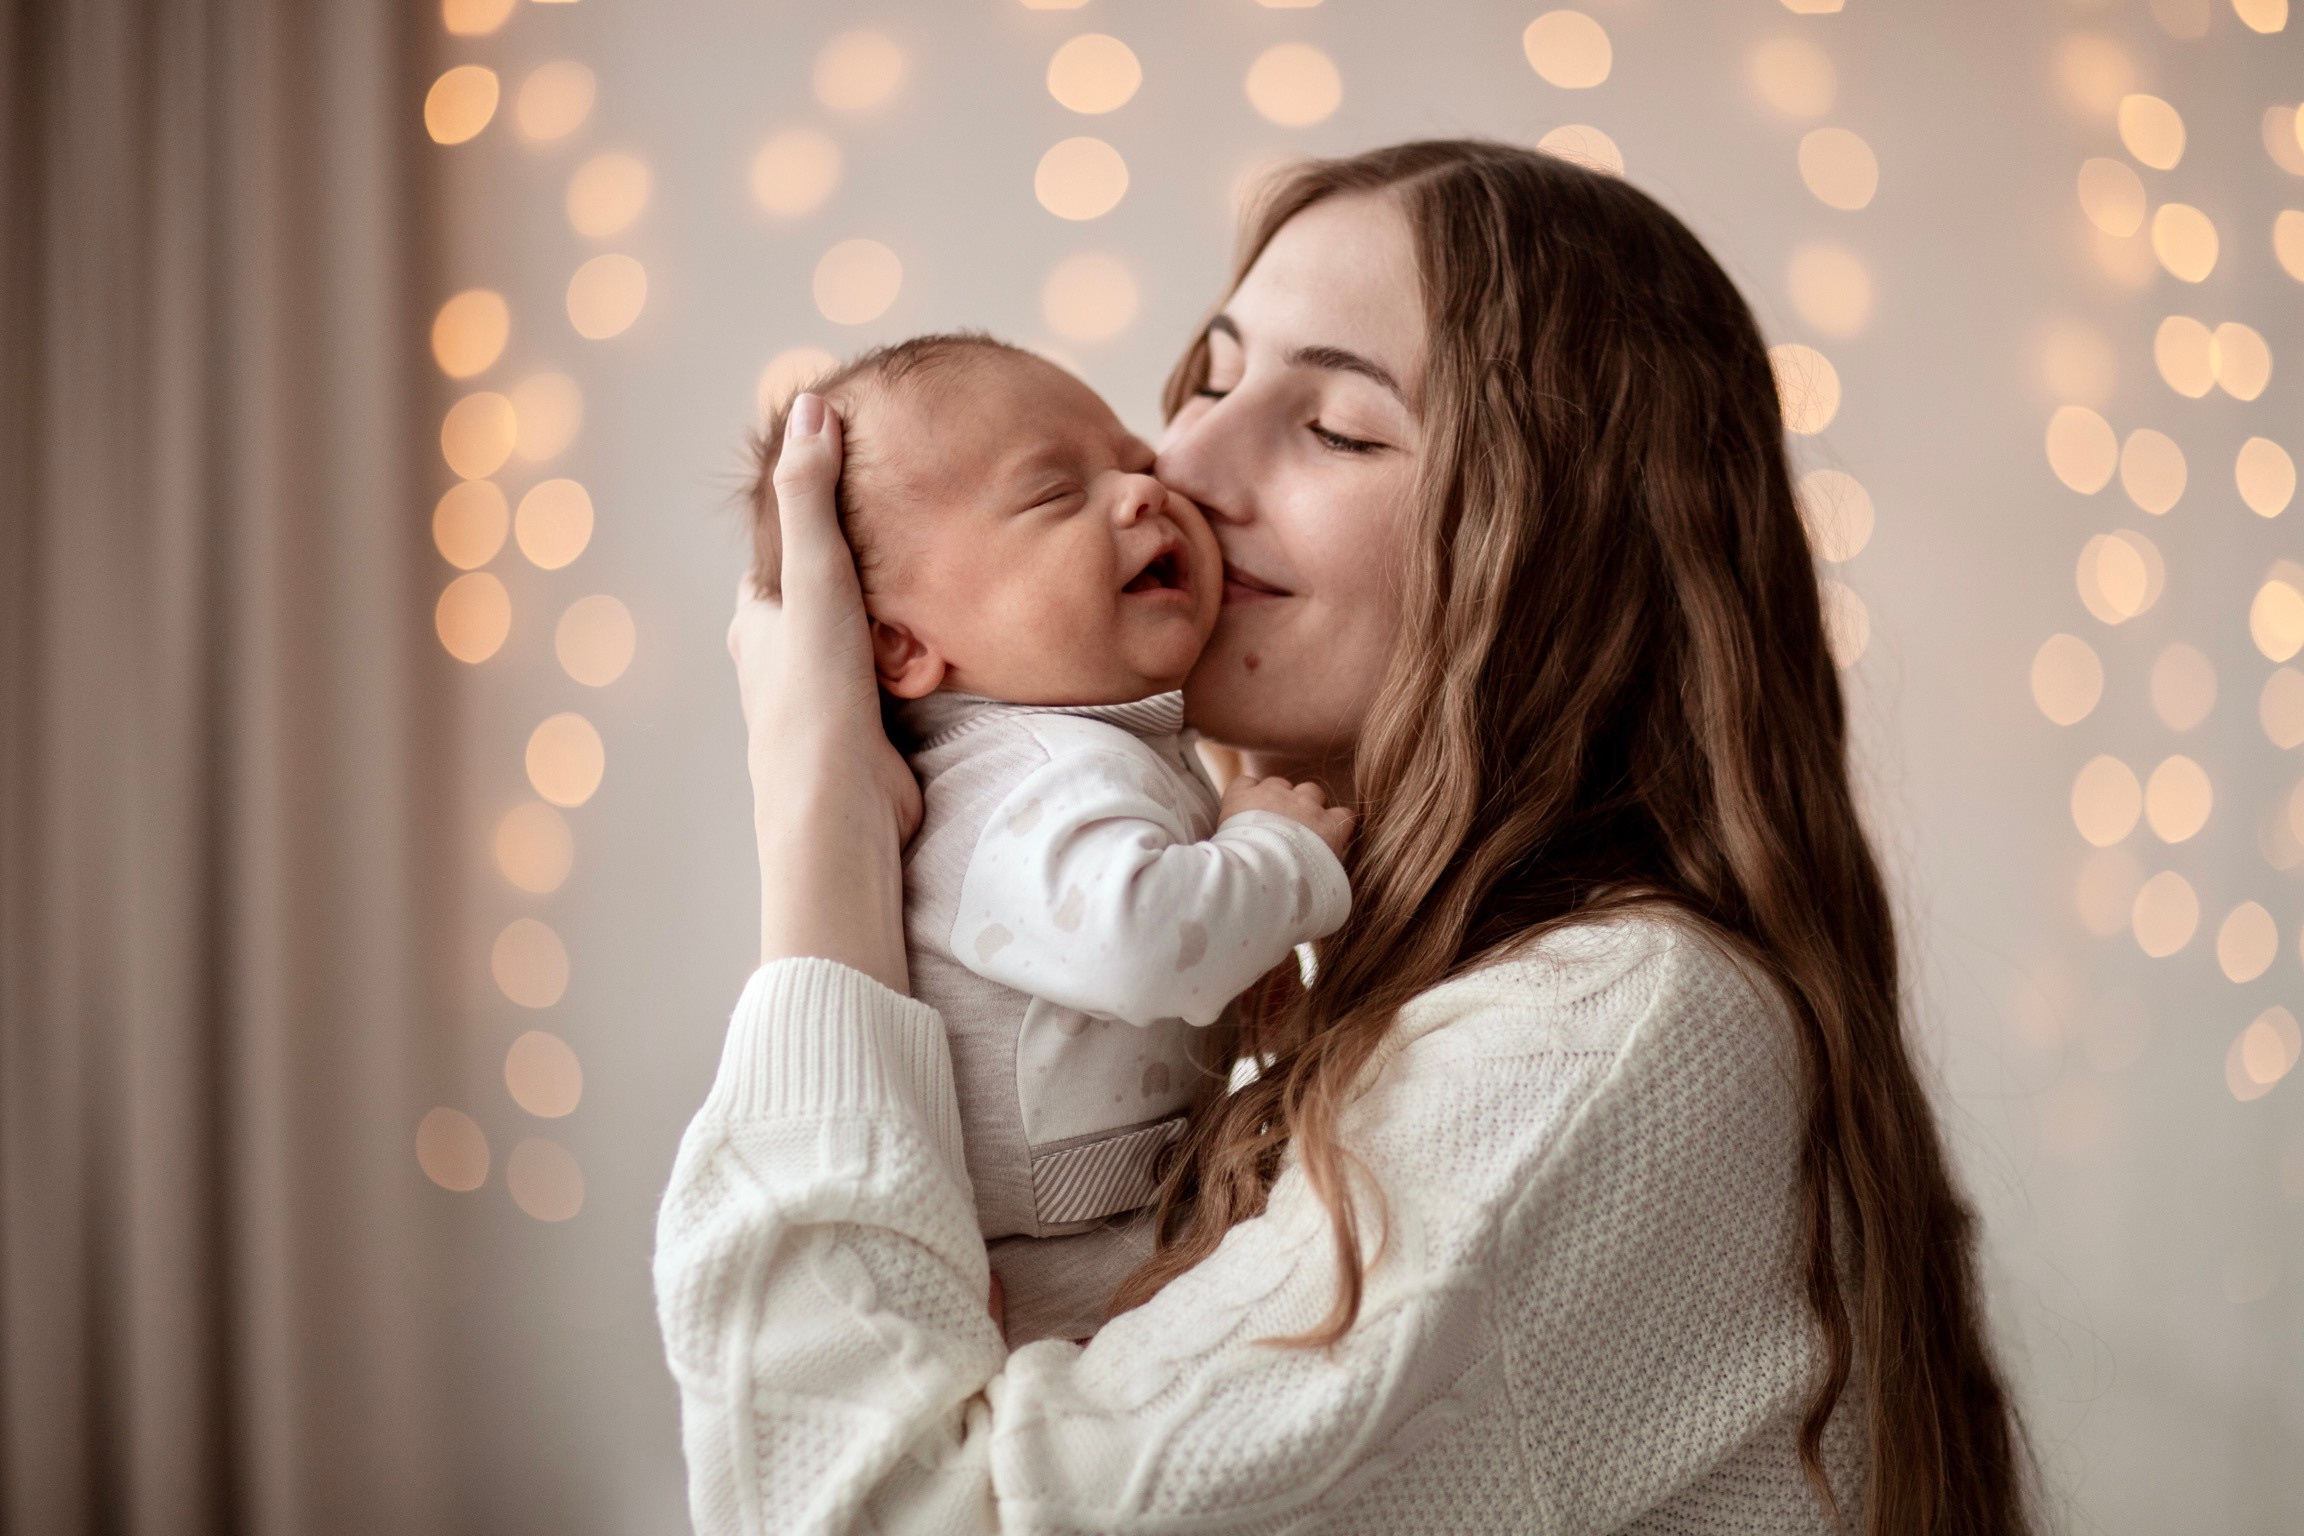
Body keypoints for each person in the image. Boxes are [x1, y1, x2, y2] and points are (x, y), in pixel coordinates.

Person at [655, 140, 2035, 1533]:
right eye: (1211, 380)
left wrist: (820, 825)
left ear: (1558, 561)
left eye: (1340, 429)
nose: (1180, 464)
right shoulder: (1340, 992)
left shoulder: (1602, 1040)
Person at [740, 334, 1354, 1345]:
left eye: (1137, 464)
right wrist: (1272, 857)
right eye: (1055, 494)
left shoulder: (1094, 747)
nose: (1144, 494)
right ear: (900, 644)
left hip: (1113, 1241)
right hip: (1046, 1287)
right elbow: (1137, 942)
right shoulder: (1021, 779)